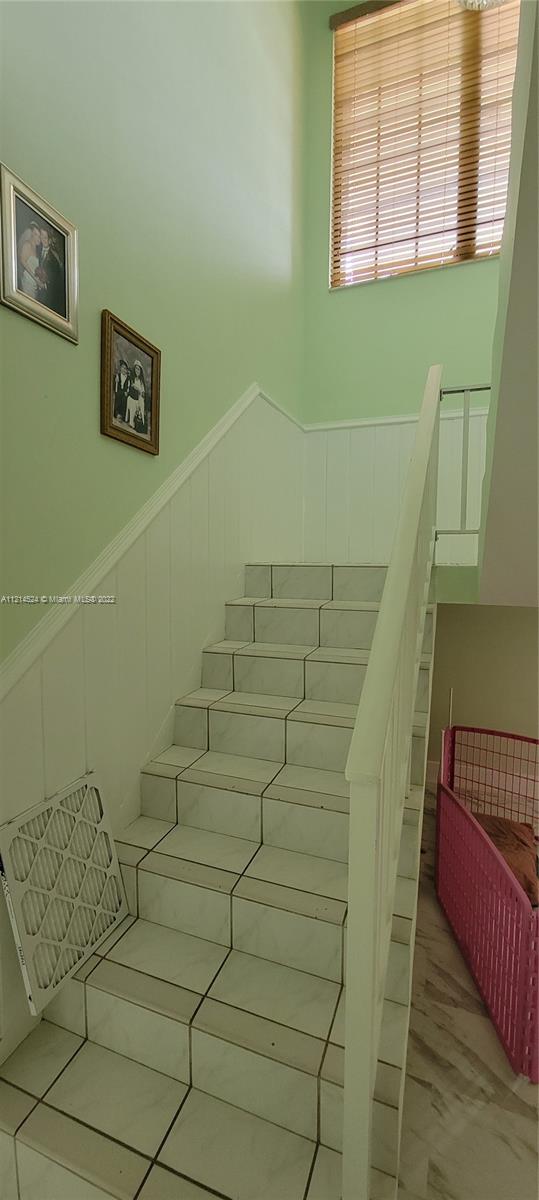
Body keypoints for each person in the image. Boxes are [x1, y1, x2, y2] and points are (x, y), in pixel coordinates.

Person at [37, 226, 66, 317]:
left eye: (45, 237)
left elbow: (55, 279)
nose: (43, 239)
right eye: (41, 236)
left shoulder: (53, 258)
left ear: (49, 240)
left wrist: (44, 284)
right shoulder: (38, 249)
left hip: (50, 296)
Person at [17, 222, 41, 299]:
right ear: (31, 235)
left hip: (34, 283)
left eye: (39, 235)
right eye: (35, 234)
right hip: (28, 281)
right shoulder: (27, 244)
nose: (38, 238)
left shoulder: (36, 249)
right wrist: (35, 279)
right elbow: (22, 260)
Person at [130, 360, 148, 434]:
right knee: (134, 403)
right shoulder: (132, 379)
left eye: (138, 369)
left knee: (141, 404)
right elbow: (131, 387)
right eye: (136, 369)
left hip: (140, 398)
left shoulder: (141, 381)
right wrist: (136, 388)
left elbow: (143, 392)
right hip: (133, 397)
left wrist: (140, 391)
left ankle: (141, 424)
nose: (137, 370)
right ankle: (132, 422)